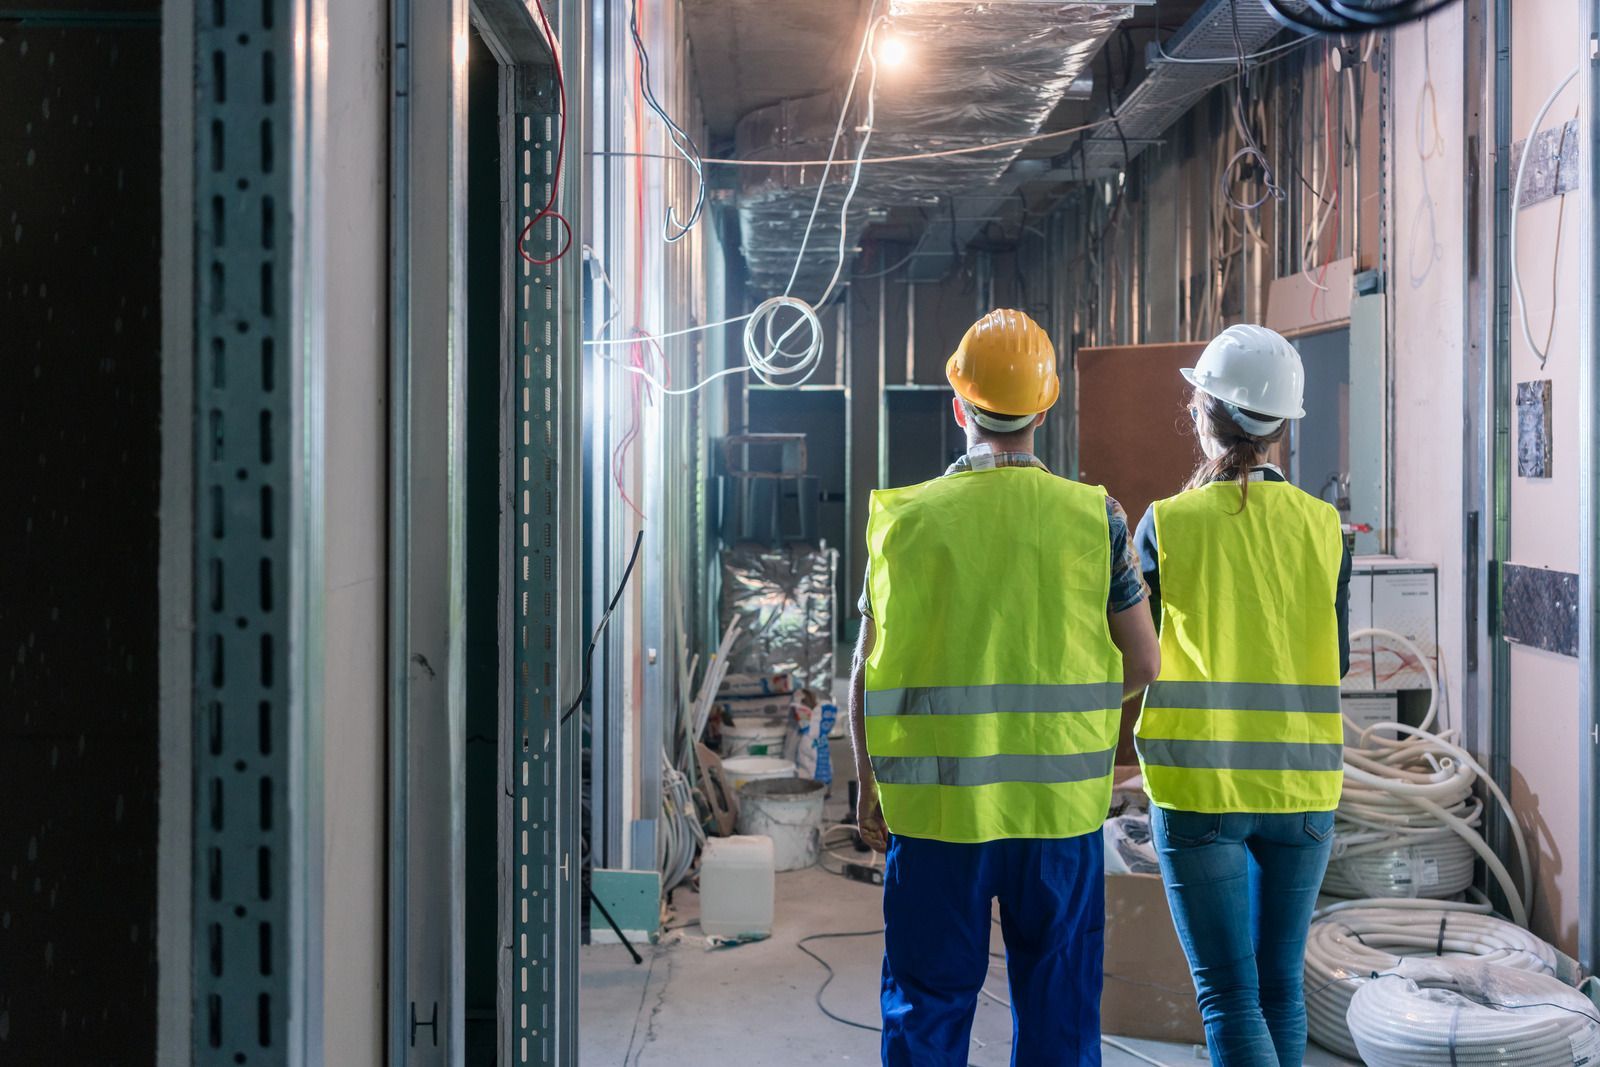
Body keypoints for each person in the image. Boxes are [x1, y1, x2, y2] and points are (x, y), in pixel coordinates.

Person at [846, 308, 1161, 1067]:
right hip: (1057, 815)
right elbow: (1145, 663)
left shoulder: (906, 520)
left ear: (960, 406)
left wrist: (867, 786)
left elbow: (864, 669)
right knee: (1058, 1015)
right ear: (1044, 409)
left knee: (927, 1007)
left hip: (936, 814)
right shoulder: (1099, 517)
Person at [1132, 323, 1351, 1067]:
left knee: (1229, 995)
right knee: (1279, 987)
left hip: (1202, 786)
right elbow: (1339, 658)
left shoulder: (1167, 524)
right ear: (1285, 426)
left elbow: (1136, 656)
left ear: (1205, 411)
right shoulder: (1327, 528)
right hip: (1303, 783)